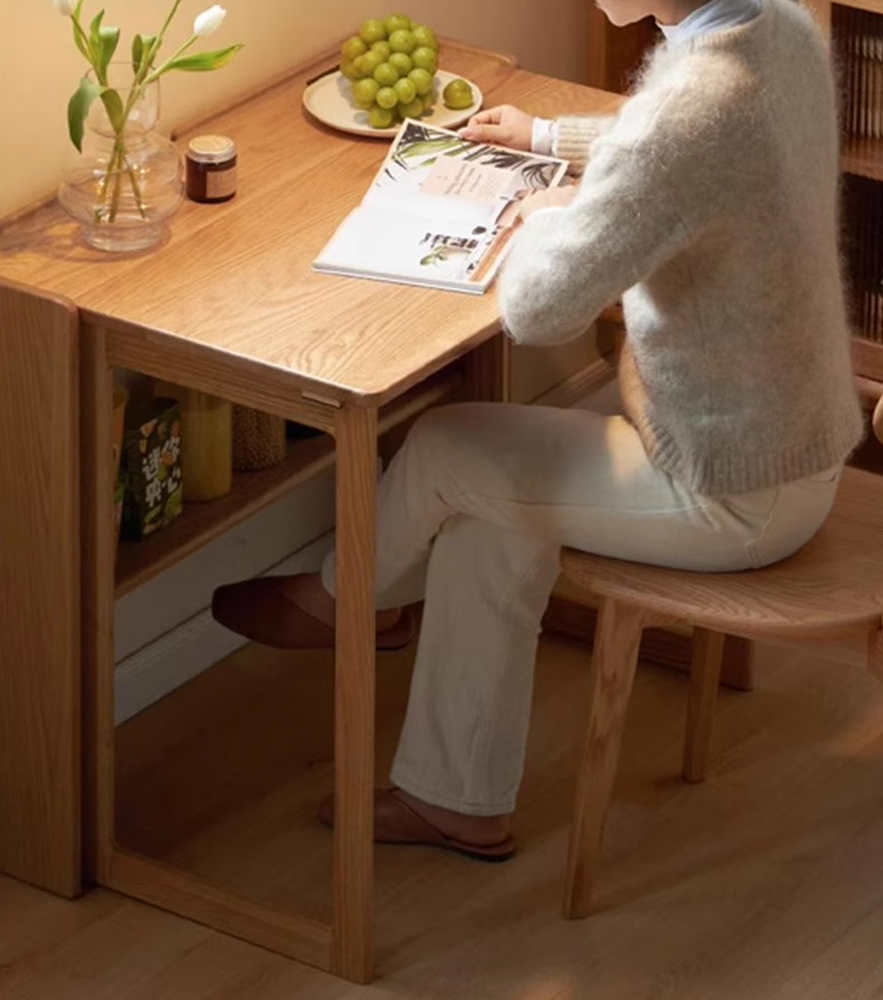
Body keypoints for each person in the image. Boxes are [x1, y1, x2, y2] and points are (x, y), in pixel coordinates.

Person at [211, 0, 864, 861]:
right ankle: (456, 799)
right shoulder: (780, 28)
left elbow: (539, 306)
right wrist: (549, 139)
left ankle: (349, 601)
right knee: (490, 508)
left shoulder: (696, 110)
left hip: (726, 484)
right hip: (780, 438)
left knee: (445, 446)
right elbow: (680, 142)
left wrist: (536, 220)